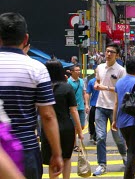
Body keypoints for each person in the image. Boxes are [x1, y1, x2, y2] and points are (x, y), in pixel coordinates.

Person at [0, 12, 63, 178]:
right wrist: (56, 153)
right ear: (25, 39)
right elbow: (48, 115)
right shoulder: (37, 68)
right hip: (25, 148)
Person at [44, 59, 84, 179]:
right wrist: (80, 130)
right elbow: (73, 110)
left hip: (48, 128)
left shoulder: (43, 88)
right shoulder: (67, 87)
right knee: (66, 158)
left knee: (52, 159)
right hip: (66, 127)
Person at [93, 43, 127, 176]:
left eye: (112, 52)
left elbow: (122, 90)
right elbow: (97, 81)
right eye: (107, 51)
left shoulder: (120, 70)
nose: (108, 54)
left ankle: (124, 156)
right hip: (100, 106)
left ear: (117, 55)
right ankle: (102, 164)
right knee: (100, 137)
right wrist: (97, 85)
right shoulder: (100, 67)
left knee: (118, 138)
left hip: (115, 107)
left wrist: (105, 88)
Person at [112, 56, 135, 179]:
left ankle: (132, 175)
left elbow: (116, 103)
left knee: (130, 149)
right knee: (132, 152)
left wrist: (114, 120)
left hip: (122, 122)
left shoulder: (119, 82)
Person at [67, 64, 89, 151]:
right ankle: (76, 145)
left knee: (82, 126)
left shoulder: (81, 81)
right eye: (76, 70)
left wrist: (86, 104)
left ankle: (75, 143)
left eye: (79, 70)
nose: (78, 72)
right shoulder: (68, 82)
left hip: (81, 107)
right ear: (71, 72)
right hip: (72, 108)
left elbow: (84, 93)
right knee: (75, 127)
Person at [86, 67, 99, 144]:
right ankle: (92, 133)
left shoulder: (104, 81)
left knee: (99, 122)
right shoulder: (91, 81)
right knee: (91, 121)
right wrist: (87, 105)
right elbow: (88, 93)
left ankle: (96, 137)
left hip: (101, 105)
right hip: (93, 104)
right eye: (96, 72)